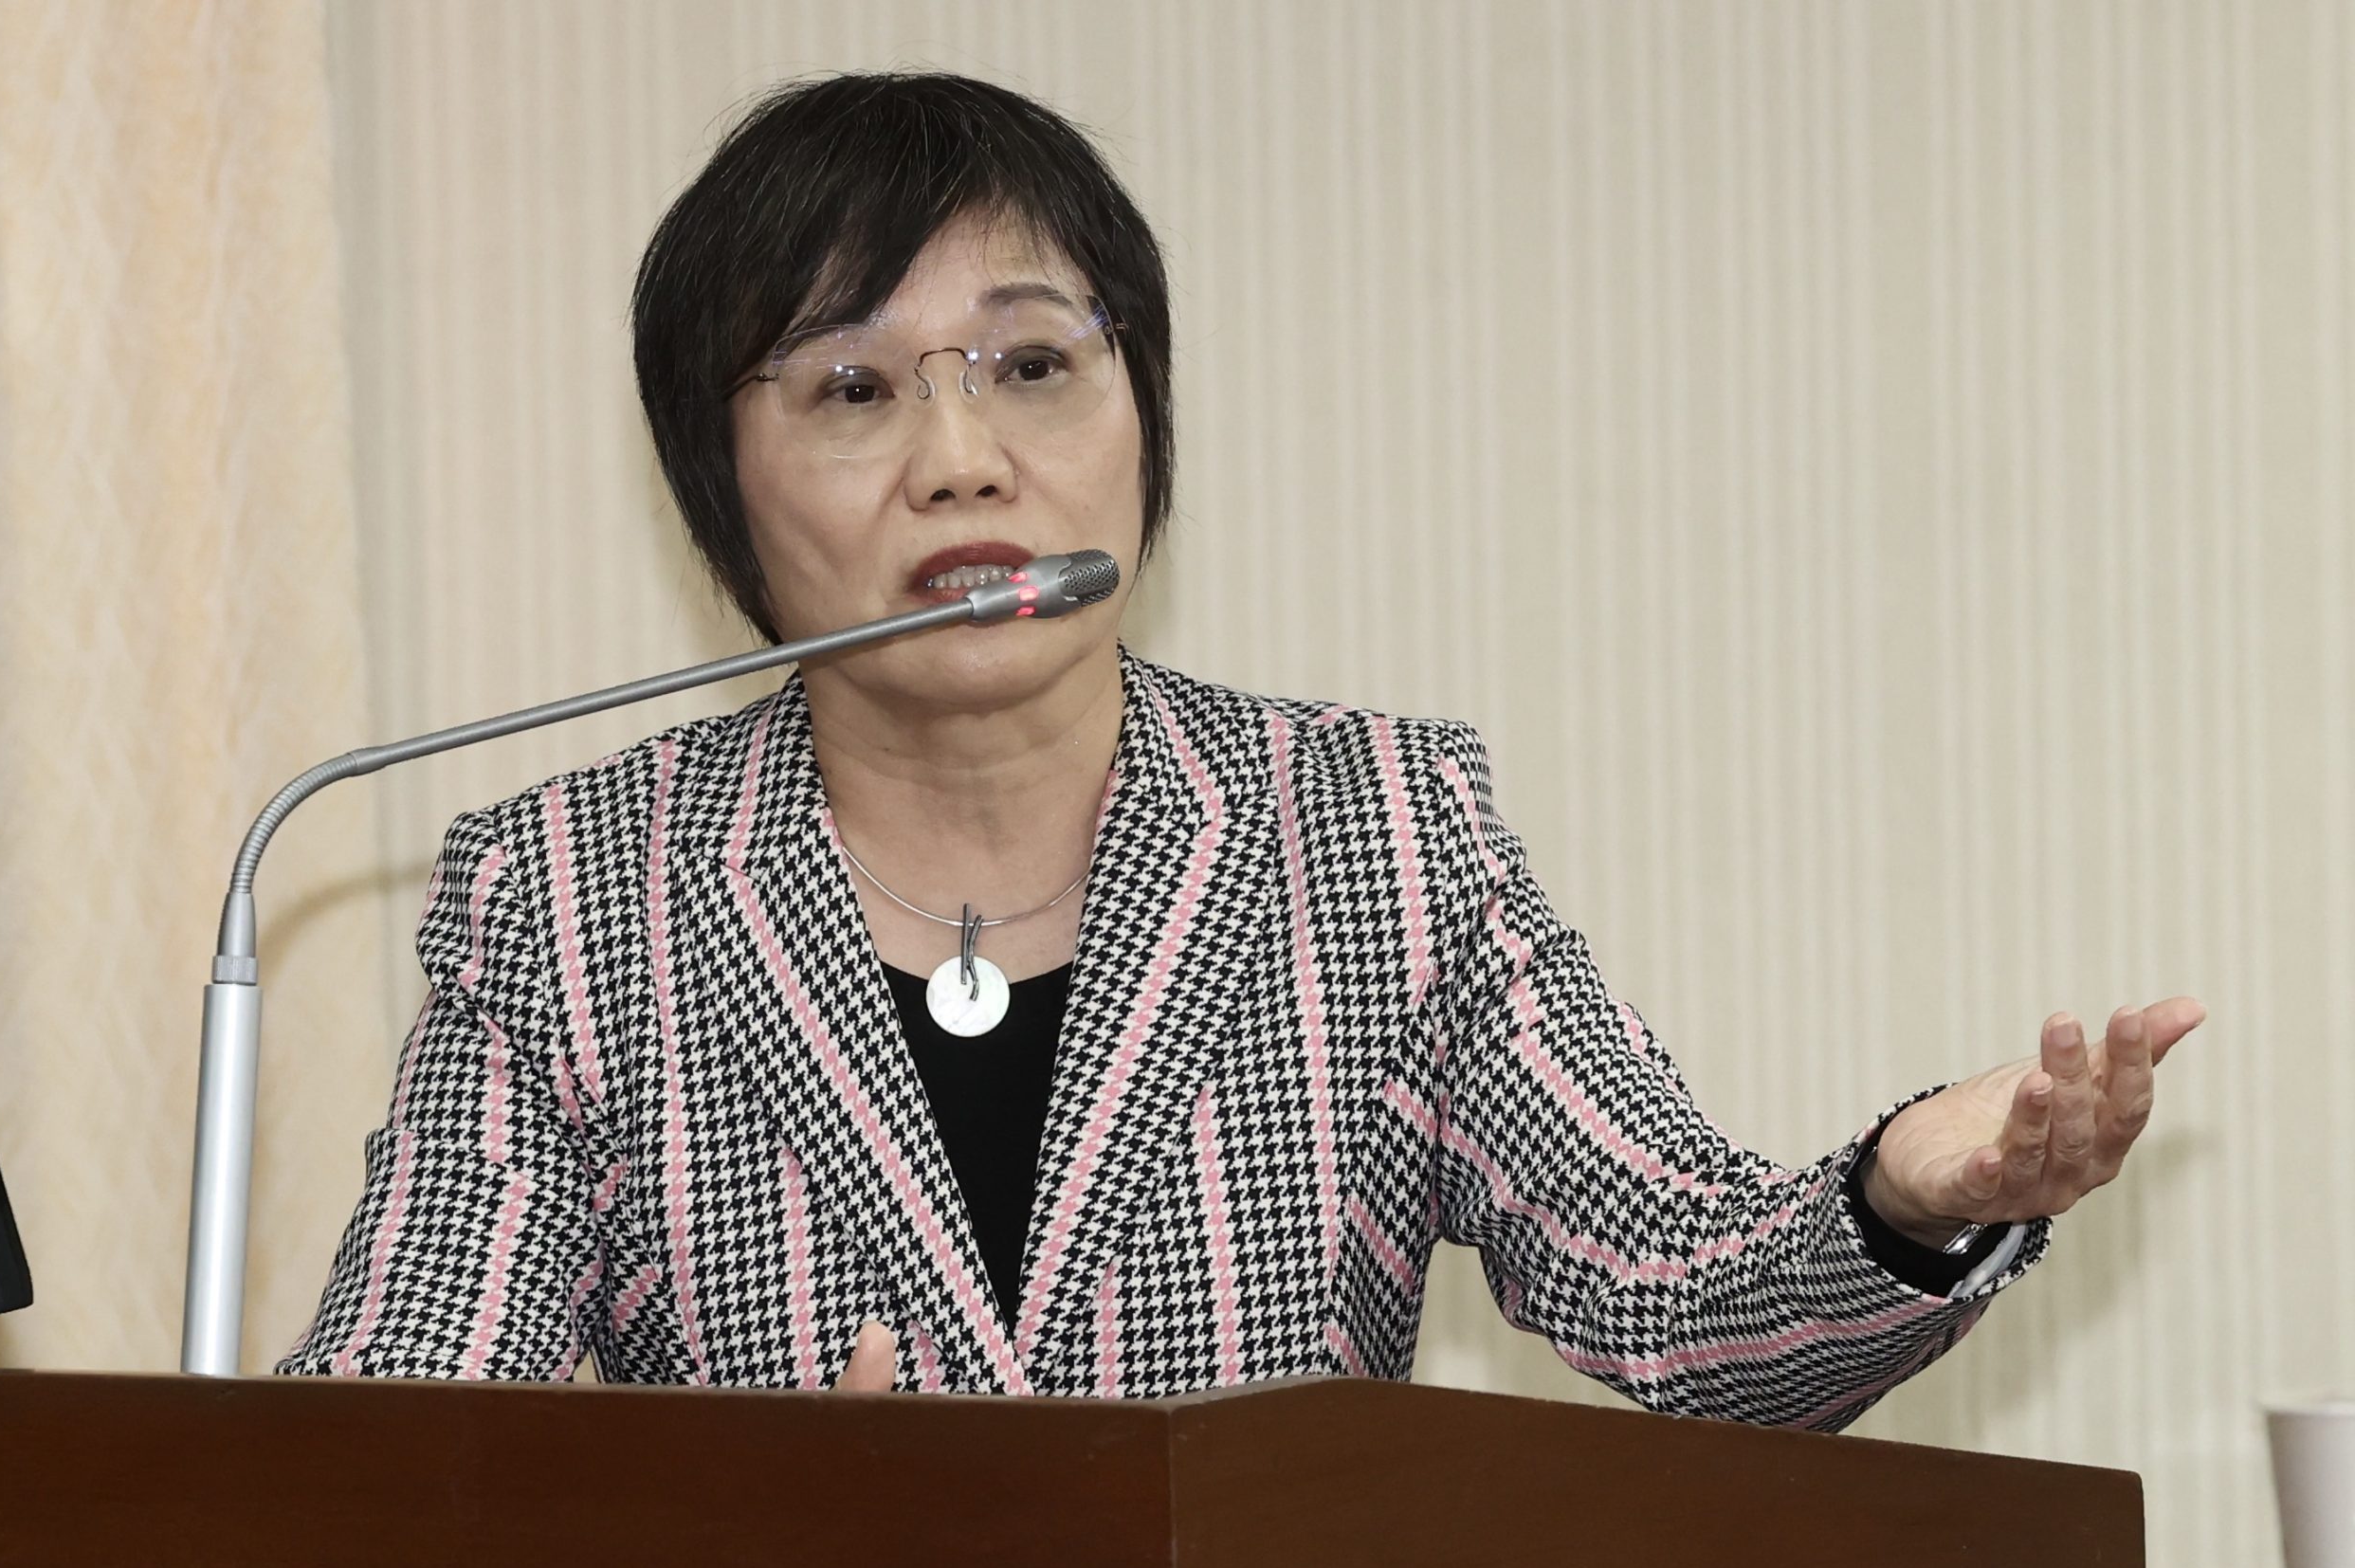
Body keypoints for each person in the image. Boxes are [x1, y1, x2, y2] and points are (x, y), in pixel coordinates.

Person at [280, 71, 2203, 1424]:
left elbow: (1683, 1302)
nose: (962, 456)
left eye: (1035, 363)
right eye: (852, 386)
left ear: (1144, 418)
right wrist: (732, 1538)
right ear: (723, 488)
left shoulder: (1373, 831)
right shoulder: (569, 897)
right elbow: (389, 1442)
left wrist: (1905, 1202)